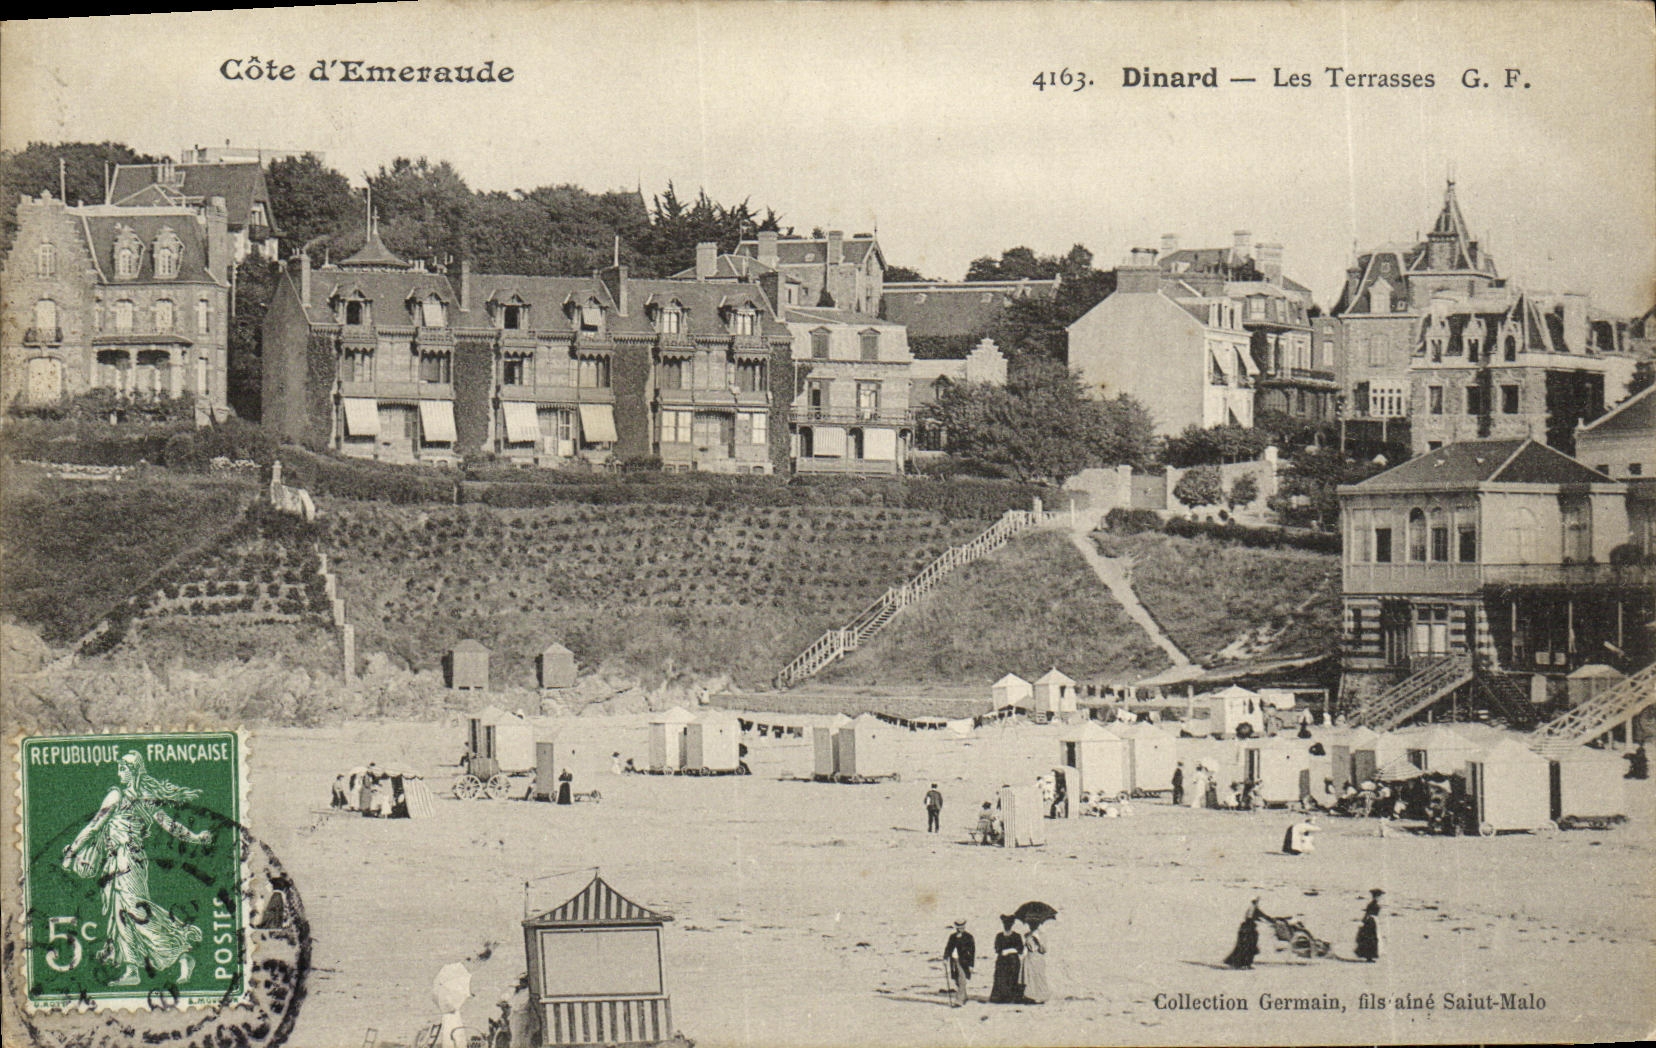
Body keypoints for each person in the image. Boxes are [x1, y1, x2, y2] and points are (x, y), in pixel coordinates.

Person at [60, 751, 213, 986]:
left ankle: (181, 952)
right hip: (121, 861)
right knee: (121, 915)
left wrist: (72, 852)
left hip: (128, 861)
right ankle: (132, 970)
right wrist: (196, 837)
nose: (119, 773)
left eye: (122, 769)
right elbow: (171, 826)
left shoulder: (118, 795)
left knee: (136, 912)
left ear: (133, 772)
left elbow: (94, 826)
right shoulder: (145, 797)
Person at [989, 915, 1024, 1003]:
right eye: (1005, 924)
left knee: (1012, 978)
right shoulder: (1000, 936)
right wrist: (1003, 951)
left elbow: (1021, 949)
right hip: (1002, 961)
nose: (1007, 926)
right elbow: (997, 948)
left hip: (1013, 962)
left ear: (1012, 925)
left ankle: (1011, 998)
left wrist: (1011, 950)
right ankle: (1001, 998)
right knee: (1001, 978)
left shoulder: (1017, 936)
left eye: (1009, 924)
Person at [943, 920, 976, 1007]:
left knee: (962, 979)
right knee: (957, 980)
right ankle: (964, 997)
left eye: (962, 927)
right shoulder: (952, 937)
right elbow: (948, 948)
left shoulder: (969, 937)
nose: (960, 929)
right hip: (954, 961)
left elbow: (972, 952)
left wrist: (971, 965)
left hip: (964, 962)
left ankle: (959, 1001)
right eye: (958, 928)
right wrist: (945, 958)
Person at [1223, 898, 1263, 969]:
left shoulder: (1252, 909)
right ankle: (1244, 964)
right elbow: (1254, 917)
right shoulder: (1253, 909)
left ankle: (1243, 963)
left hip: (1246, 930)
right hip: (1248, 931)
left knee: (1246, 947)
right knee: (1247, 947)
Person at [1020, 919, 1051, 1004]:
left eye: (1034, 923)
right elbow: (1025, 948)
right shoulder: (1027, 935)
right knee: (1030, 978)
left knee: (1039, 977)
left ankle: (1041, 997)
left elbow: (1044, 950)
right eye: (1030, 923)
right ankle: (1030, 997)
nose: (1032, 925)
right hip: (1029, 958)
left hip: (1038, 958)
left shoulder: (1042, 935)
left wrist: (1038, 940)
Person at [1355, 889, 1383, 962]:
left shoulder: (1372, 904)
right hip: (1372, 922)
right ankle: (1369, 956)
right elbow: (1368, 914)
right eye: (1379, 896)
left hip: (1371, 921)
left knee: (1370, 939)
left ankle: (1369, 956)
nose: (1380, 897)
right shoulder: (1373, 904)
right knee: (1372, 939)